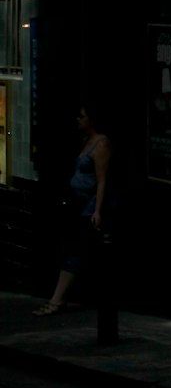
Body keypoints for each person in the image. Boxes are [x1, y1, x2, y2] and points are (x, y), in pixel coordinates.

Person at [33, 105, 112, 316]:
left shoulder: (101, 144)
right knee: (70, 248)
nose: (78, 119)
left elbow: (102, 180)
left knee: (75, 250)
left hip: (88, 206)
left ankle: (57, 299)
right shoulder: (85, 142)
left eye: (82, 116)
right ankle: (58, 298)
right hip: (76, 204)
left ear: (92, 120)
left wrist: (97, 210)